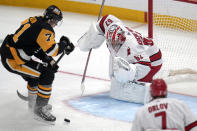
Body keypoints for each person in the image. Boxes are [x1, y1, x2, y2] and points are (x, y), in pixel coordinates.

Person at [0, 5, 74, 123]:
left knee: (37, 75)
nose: (55, 24)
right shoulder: (45, 29)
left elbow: (34, 45)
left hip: (12, 54)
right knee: (47, 74)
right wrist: (64, 44)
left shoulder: (36, 20)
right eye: (56, 22)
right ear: (52, 19)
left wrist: (47, 60)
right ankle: (39, 109)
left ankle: (33, 104)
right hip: (13, 61)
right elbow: (53, 50)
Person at [78, 14, 162, 104]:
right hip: (143, 52)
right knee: (114, 73)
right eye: (110, 41)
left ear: (122, 39)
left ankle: (138, 86)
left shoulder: (130, 48)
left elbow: (146, 65)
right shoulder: (110, 24)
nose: (113, 45)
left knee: (121, 72)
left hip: (153, 61)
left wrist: (131, 76)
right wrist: (93, 35)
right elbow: (104, 20)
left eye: (115, 43)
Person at [131, 79, 197, 131]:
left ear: (151, 93)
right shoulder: (179, 105)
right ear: (166, 91)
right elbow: (193, 126)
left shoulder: (142, 111)